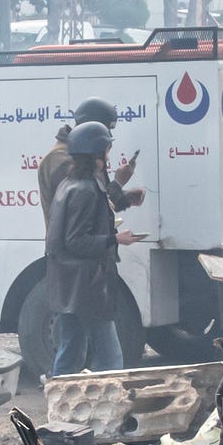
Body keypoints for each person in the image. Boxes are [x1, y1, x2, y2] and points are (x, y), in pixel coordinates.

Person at [43, 120, 141, 374]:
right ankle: (110, 399)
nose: (108, 156)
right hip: (86, 287)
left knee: (70, 351)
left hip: (69, 285)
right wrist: (115, 239)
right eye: (107, 150)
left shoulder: (69, 184)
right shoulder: (85, 190)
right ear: (98, 155)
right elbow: (76, 241)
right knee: (110, 359)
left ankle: (58, 398)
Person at [37, 95, 139, 214]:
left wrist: (125, 197)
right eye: (104, 130)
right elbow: (85, 207)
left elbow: (97, 199)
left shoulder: (79, 154)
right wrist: (117, 183)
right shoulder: (63, 159)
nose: (108, 135)